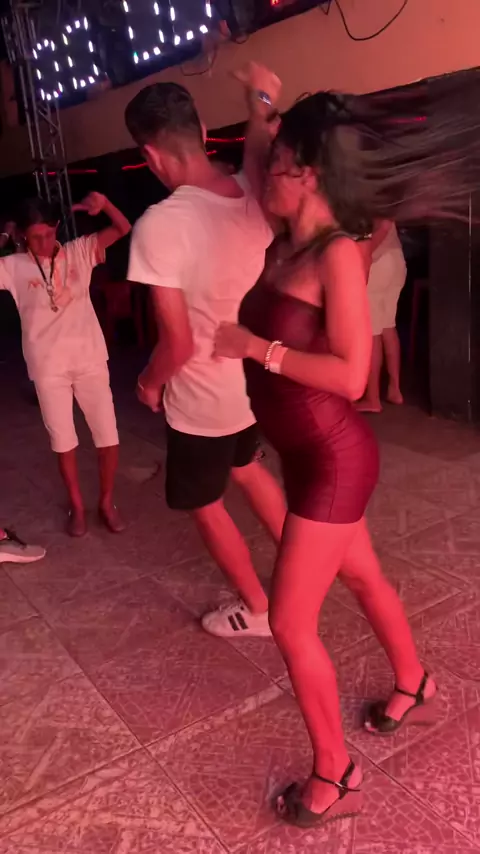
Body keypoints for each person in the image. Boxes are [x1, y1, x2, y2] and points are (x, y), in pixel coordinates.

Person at [214, 63, 480, 827]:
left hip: (332, 457)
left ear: (305, 174)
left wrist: (255, 348)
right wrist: (262, 103)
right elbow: (264, 156)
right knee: (362, 578)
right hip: (305, 453)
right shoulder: (288, 237)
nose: (260, 174)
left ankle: (336, 774)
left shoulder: (335, 251)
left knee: (292, 623)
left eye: (275, 164)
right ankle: (416, 684)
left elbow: (350, 372)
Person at [125, 81, 287, 638]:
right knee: (248, 469)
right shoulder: (250, 190)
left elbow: (178, 344)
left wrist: (149, 384)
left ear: (149, 155)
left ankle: (259, 610)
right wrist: (259, 103)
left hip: (200, 399)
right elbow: (259, 144)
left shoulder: (160, 225)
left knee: (203, 502)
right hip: (251, 378)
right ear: (199, 130)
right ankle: (311, 566)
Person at [0, 194, 131, 537]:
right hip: (48, 368)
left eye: (47, 234)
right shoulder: (12, 266)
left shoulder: (80, 251)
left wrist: (105, 206)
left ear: (56, 227)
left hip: (90, 359)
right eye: (34, 237)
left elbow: (123, 228)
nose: (42, 243)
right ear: (22, 235)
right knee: (63, 440)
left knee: (107, 433)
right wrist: (5, 234)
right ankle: (77, 505)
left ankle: (107, 502)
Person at [357, 220, 407, 412]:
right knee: (387, 326)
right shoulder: (389, 200)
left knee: (372, 331)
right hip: (395, 257)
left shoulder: (367, 200)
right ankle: (394, 389)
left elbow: (382, 225)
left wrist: (365, 256)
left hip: (378, 260)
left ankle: (373, 399)